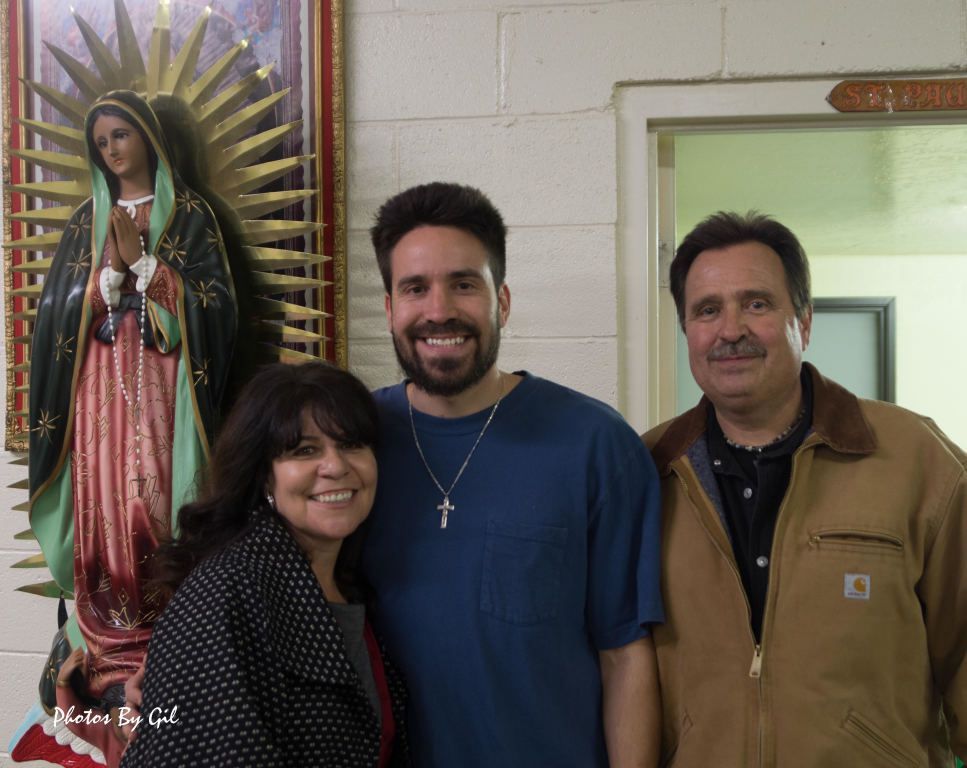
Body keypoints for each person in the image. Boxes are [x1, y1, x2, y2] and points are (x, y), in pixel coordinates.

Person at [644, 211, 966, 766]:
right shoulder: (649, 472)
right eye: (707, 310)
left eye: (757, 303)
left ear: (805, 321)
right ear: (687, 332)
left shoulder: (914, 458)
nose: (731, 329)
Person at [362, 182, 664, 767]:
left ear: (501, 301)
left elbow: (626, 655)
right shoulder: (351, 447)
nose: (439, 309)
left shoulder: (597, 446)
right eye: (415, 288)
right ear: (390, 308)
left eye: (463, 284)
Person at [24, 90, 237, 762]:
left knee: (151, 498)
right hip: (97, 395)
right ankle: (101, 633)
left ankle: (159, 635)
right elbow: (58, 312)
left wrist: (150, 269)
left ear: (146, 136)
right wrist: (106, 277)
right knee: (103, 497)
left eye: (121, 136)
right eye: (102, 141)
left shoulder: (191, 215)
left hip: (160, 390)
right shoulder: (88, 218)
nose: (112, 150)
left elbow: (216, 307)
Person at [76, 361, 408, 766]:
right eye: (304, 450)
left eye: (352, 444)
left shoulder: (354, 586)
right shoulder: (228, 590)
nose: (336, 466)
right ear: (263, 476)